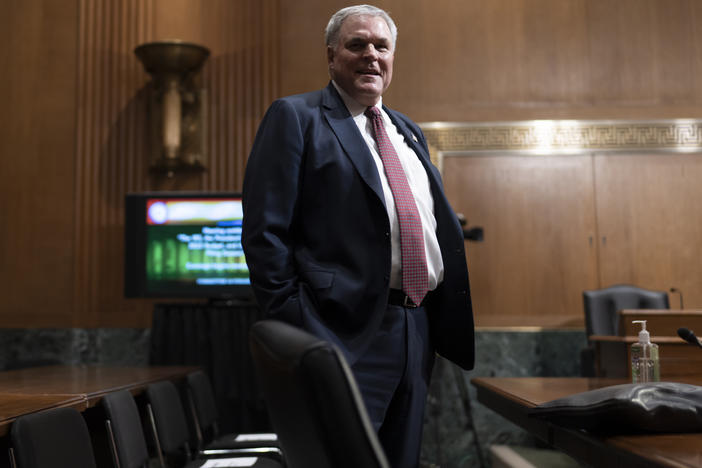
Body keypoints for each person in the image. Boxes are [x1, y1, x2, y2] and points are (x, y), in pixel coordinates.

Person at [242, 5, 474, 467]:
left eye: (381, 46)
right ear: (331, 56)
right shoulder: (296, 116)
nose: (371, 54)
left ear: (392, 59)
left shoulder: (407, 131)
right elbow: (264, 234)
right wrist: (301, 323)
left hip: (416, 328)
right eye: (357, 44)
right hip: (338, 331)